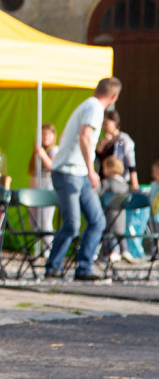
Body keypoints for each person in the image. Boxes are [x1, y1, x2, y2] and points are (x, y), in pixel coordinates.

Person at [44, 77, 122, 281]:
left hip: (78, 173)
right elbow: (84, 136)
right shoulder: (95, 108)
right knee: (72, 223)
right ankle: (53, 266)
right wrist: (91, 169)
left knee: (97, 220)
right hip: (70, 172)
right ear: (114, 96)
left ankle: (84, 268)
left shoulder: (87, 106)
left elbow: (67, 137)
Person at [28, 122, 58, 249]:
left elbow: (52, 166)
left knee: (45, 220)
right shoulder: (38, 150)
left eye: (48, 134)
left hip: (47, 186)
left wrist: (42, 154)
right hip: (36, 185)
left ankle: (48, 250)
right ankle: (37, 249)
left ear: (53, 136)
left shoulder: (54, 150)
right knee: (34, 220)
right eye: (43, 134)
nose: (45, 137)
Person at [96, 109, 139, 191]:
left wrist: (134, 183)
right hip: (103, 181)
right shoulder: (103, 140)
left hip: (117, 182)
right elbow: (95, 159)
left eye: (106, 124)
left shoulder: (124, 140)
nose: (103, 127)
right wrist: (101, 145)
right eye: (102, 124)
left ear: (115, 122)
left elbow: (131, 163)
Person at [98, 155, 130, 262]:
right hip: (121, 215)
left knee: (108, 234)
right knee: (120, 234)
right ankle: (124, 250)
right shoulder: (124, 184)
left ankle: (110, 253)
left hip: (109, 214)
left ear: (109, 168)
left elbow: (98, 194)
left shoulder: (107, 183)